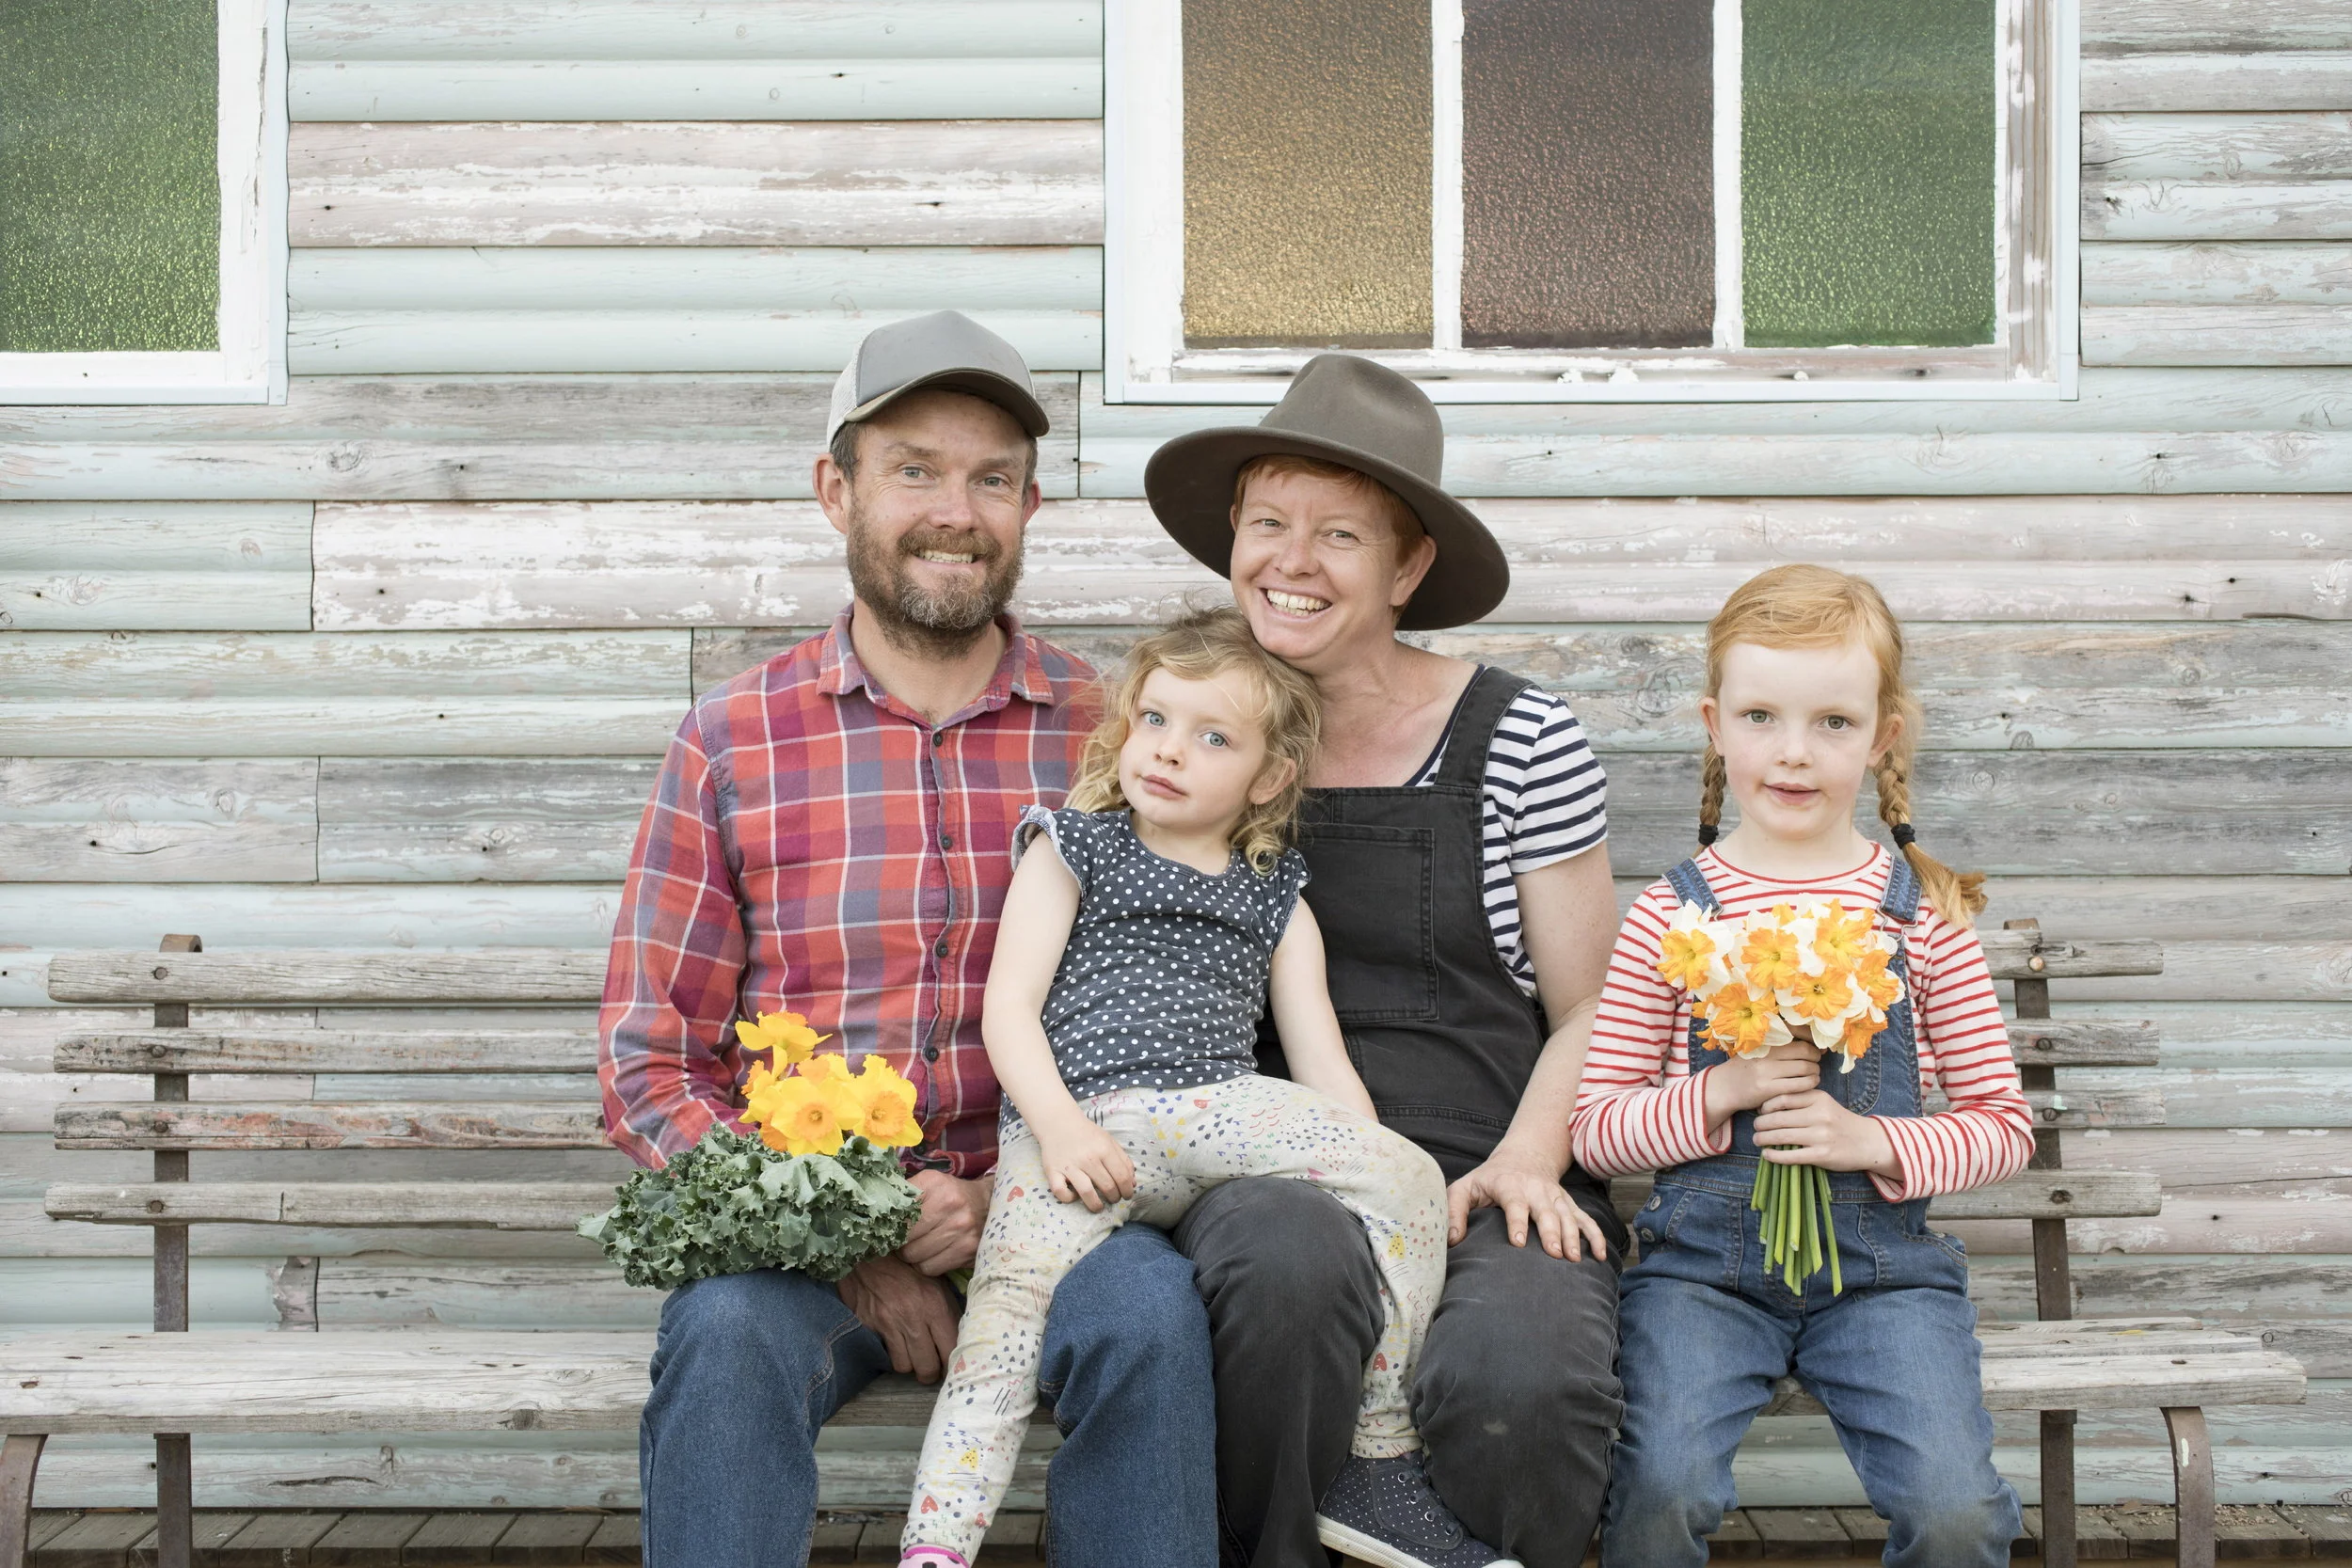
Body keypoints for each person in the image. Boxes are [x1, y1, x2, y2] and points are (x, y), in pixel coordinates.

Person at [599, 312, 1217, 1568]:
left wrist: (1008, 1196)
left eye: (992, 476)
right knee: (719, 1341)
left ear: (1033, 503)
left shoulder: (1115, 737)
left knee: (1156, 1317)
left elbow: (1192, 1010)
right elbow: (651, 1061)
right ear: (838, 490)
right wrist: (855, 1228)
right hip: (799, 1258)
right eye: (915, 469)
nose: (957, 508)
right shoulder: (734, 741)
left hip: (1059, 1214)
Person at [1142, 355, 1627, 1567]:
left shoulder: (1522, 736)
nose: (1289, 562)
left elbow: (1593, 1009)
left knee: (1521, 1376)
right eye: (1267, 524)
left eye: (1339, 534)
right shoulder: (1194, 737)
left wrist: (1528, 1163)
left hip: (1487, 1156)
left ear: (1409, 567)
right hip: (1267, 1161)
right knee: (1282, 1275)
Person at [902, 609, 1510, 1568]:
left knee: (1403, 1174)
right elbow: (1008, 1009)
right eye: (1154, 718)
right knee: (1003, 1327)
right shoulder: (1074, 847)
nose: (1169, 751)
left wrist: (1368, 1172)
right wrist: (1058, 1130)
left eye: (1211, 735)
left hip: (1216, 1109)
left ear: (1267, 777)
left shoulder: (1276, 892)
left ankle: (1378, 1444)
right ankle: (934, 1547)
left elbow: (1321, 1064)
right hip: (1082, 1123)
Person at [1570, 564, 2032, 1567]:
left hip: (1882, 1280)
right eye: (1760, 715)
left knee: (1956, 1508)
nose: (1792, 751)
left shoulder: (1923, 919)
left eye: (1831, 721)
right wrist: (1717, 1090)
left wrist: (1873, 1139)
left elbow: (2002, 1121)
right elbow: (1596, 1122)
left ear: (1881, 736)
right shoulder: (1671, 913)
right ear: (1713, 723)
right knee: (1658, 1487)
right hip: (1703, 1277)